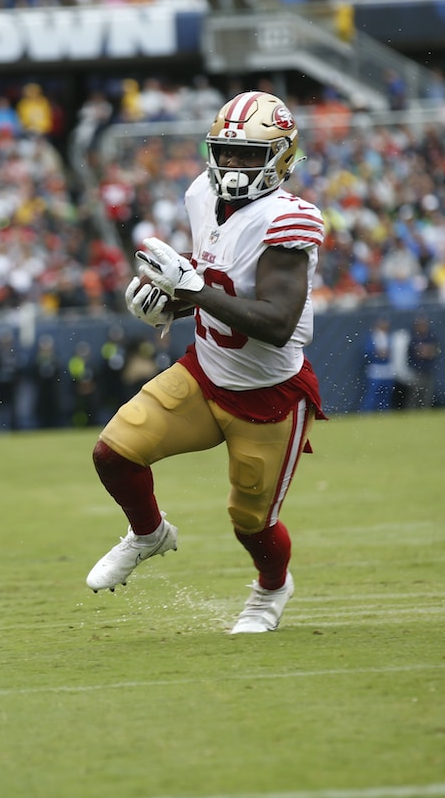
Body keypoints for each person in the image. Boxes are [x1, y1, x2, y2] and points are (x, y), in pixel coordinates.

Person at [86, 90, 325, 634]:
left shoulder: (289, 220)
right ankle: (148, 533)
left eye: (249, 155)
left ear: (283, 157)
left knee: (251, 522)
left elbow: (275, 322)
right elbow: (210, 273)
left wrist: (192, 291)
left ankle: (270, 591)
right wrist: (165, 299)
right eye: (227, 151)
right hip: (205, 371)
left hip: (268, 395)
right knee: (114, 453)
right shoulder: (200, 194)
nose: (234, 166)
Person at [360, 315, 395, 412]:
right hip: (376, 368)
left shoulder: (389, 336)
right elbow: (367, 351)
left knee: (386, 393)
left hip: (387, 368)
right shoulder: (372, 336)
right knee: (372, 393)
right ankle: (367, 412)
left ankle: (384, 412)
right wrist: (377, 354)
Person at [406, 314, 440, 409]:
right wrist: (425, 350)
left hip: (428, 369)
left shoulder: (431, 336)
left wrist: (429, 351)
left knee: (427, 393)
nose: (423, 327)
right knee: (416, 393)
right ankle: (412, 412)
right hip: (417, 371)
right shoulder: (414, 338)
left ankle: (425, 411)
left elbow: (437, 350)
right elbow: (415, 353)